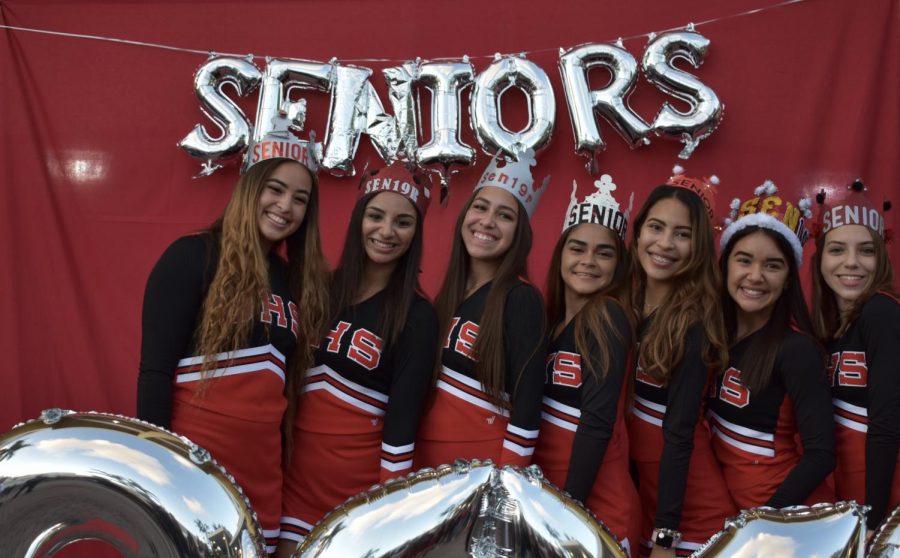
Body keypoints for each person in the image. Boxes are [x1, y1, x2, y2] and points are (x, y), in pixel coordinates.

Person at [137, 152, 329, 554]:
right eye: (275, 190)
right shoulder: (192, 256)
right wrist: (160, 471)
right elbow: (155, 373)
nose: (285, 207)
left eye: (300, 198)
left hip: (263, 475)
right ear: (249, 188)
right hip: (196, 465)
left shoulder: (293, 280)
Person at [276, 164, 439, 552]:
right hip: (289, 487)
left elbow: (402, 426)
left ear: (416, 234)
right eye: (375, 216)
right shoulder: (320, 290)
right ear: (357, 219)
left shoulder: (417, 316)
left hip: (357, 500)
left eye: (403, 222)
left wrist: (386, 518)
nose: (386, 232)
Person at [415, 149, 549, 469]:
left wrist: (505, 483)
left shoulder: (521, 299)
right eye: (480, 207)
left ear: (520, 233)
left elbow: (528, 407)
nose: (487, 222)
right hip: (429, 472)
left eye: (505, 215)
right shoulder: (449, 296)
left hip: (480, 473)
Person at [626, 167, 735, 558]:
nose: (665, 243)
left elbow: (679, 432)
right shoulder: (628, 305)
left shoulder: (694, 320)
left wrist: (666, 536)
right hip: (647, 504)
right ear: (638, 232)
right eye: (656, 227)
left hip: (689, 514)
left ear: (700, 246)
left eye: (682, 234)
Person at [532, 175, 641, 556]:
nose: (588, 262)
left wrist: (567, 510)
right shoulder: (550, 322)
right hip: (552, 497)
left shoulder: (608, 315)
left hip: (593, 507)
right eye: (577, 248)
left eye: (604, 253)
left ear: (619, 265)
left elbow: (596, 421)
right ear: (561, 253)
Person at [709, 180, 835, 510]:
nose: (755, 276)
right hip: (731, 518)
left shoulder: (797, 351)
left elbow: (822, 454)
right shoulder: (712, 337)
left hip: (786, 521)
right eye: (744, 260)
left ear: (789, 278)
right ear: (724, 266)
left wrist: (765, 519)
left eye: (772, 265)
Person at [811, 179, 899, 538]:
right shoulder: (828, 324)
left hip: (883, 493)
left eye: (866, 251)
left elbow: (887, 424)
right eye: (837, 251)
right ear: (820, 259)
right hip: (847, 492)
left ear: (881, 257)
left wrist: (873, 523)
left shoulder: (882, 311)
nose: (851, 263)